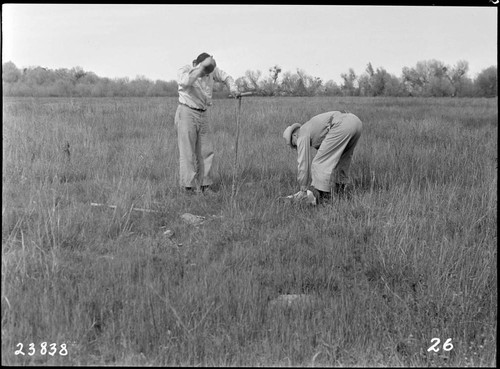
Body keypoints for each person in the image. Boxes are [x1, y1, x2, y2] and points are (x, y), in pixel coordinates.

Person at [175, 52, 240, 194]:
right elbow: (186, 82)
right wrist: (200, 69)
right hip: (187, 112)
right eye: (205, 71)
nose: (207, 75)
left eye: (208, 73)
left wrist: (233, 88)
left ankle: (205, 186)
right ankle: (188, 187)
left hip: (203, 113)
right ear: (197, 64)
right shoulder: (185, 70)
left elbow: (226, 77)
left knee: (206, 150)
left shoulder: (211, 71)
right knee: (187, 151)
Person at [282, 110, 362, 204]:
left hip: (341, 125)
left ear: (294, 135)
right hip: (355, 122)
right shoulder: (311, 128)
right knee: (343, 160)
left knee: (319, 164)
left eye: (294, 145)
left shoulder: (302, 134)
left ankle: (325, 200)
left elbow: (304, 163)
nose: (296, 147)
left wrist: (303, 188)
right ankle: (341, 195)